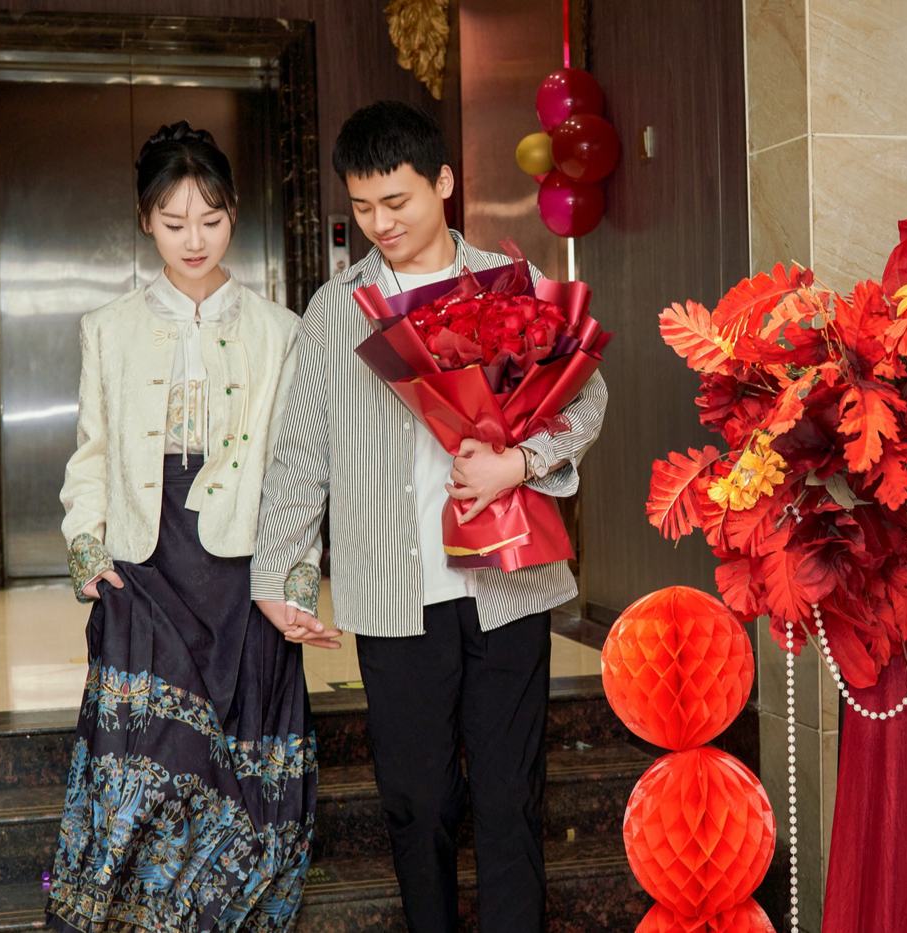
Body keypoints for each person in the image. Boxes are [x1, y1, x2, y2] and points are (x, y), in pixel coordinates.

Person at [251, 101, 607, 933]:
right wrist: (278, 574)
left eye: (396, 201)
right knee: (416, 800)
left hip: (507, 584)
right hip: (392, 590)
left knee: (510, 796)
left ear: (443, 183)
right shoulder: (336, 309)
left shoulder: (508, 283)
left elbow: (586, 397)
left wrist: (520, 463)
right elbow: (300, 453)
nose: (381, 224)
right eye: (362, 207)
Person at [48, 121, 321, 932]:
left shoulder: (281, 331)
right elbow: (92, 453)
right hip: (145, 552)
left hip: (241, 559)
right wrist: (88, 548)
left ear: (235, 212)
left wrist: (293, 580)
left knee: (238, 746)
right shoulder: (108, 328)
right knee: (147, 745)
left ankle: (213, 910)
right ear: (146, 220)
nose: (194, 239)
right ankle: (137, 909)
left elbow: (294, 471)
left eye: (211, 218)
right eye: (173, 222)